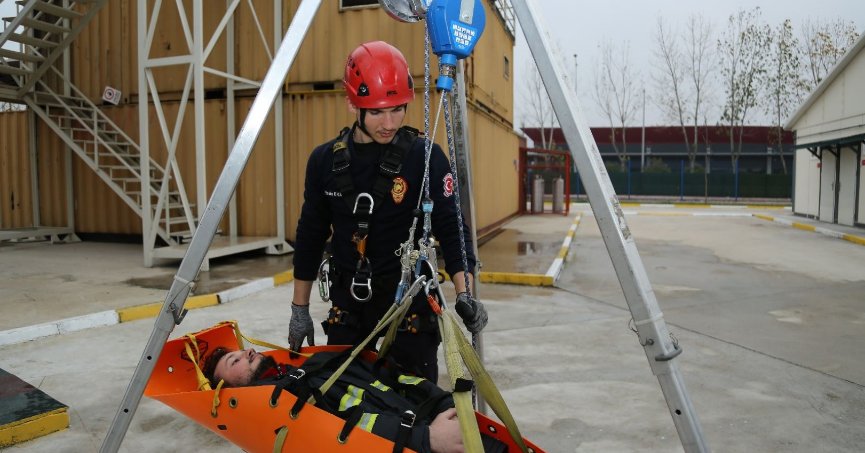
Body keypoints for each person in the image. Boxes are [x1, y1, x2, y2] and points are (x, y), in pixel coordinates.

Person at [289, 41, 487, 381]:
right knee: (343, 401)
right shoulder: (325, 162)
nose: (389, 122)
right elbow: (310, 237)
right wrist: (299, 309)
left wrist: (465, 294)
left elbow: (453, 231)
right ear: (352, 103)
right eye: (378, 111)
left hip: (410, 306)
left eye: (397, 109)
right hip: (350, 303)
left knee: (417, 407)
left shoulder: (425, 157)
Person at [203, 346, 466, 453]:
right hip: (422, 442)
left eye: (241, 350)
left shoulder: (320, 362)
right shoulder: (280, 407)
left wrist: (445, 404)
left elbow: (398, 379)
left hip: (445, 425)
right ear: (226, 389)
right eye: (233, 360)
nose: (247, 351)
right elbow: (336, 436)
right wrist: (428, 438)